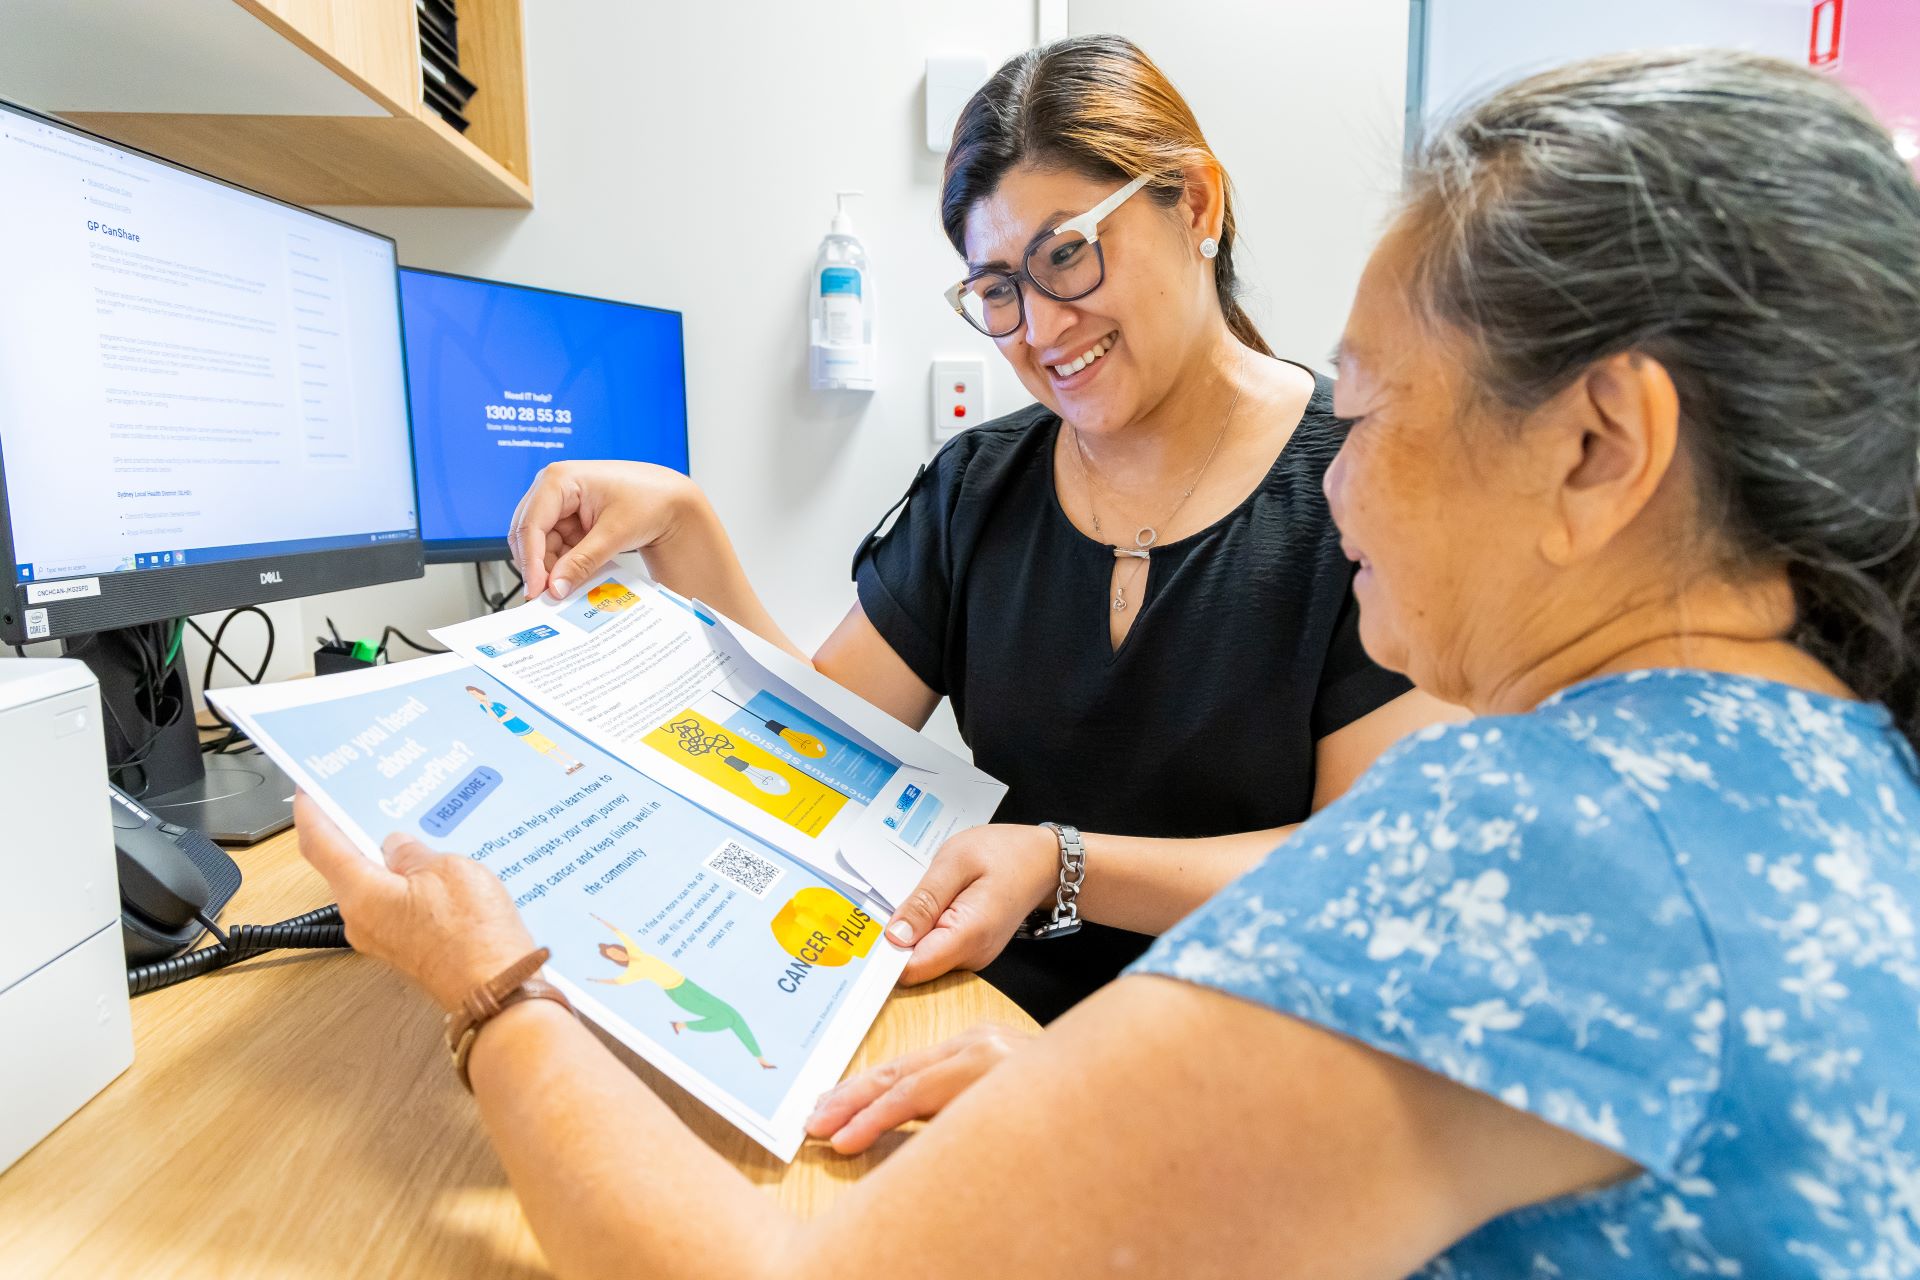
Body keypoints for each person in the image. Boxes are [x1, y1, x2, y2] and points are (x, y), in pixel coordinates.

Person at [298, 49, 1920, 1276]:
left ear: (1602, 446)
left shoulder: (1544, 835)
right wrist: (1098, 1092)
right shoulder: (1806, 768)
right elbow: (814, 732)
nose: (1339, 481)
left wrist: (490, 989)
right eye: (994, 290)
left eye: (1365, 409)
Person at [505, 35, 1452, 1022]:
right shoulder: (976, 491)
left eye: (1068, 256)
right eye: (998, 290)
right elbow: (814, 751)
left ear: (1196, 203)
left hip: (1245, 1062)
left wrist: (1060, 863)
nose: (1040, 329)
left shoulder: (1370, 482)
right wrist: (682, 522)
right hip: (978, 1028)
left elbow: (1365, 863)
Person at [589, 914, 775, 1070]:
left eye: (616, 950)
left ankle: (760, 1059)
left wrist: (599, 919)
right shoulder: (632, 972)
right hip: (678, 993)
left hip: (688, 984)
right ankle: (682, 1025)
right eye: (613, 956)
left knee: (733, 1014)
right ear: (615, 960)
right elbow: (617, 982)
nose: (617, 954)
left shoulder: (636, 951)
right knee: (725, 1019)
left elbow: (618, 933)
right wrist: (595, 980)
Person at [466, 684, 586, 775]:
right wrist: (488, 707)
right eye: (472, 695)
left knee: (551, 745)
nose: (475, 696)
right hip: (517, 732)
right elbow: (495, 718)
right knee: (544, 750)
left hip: (525, 726)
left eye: (475, 693)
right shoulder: (484, 707)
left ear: (482, 692)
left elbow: (511, 714)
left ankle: (575, 761)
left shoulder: (498, 704)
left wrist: (502, 719)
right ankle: (567, 767)